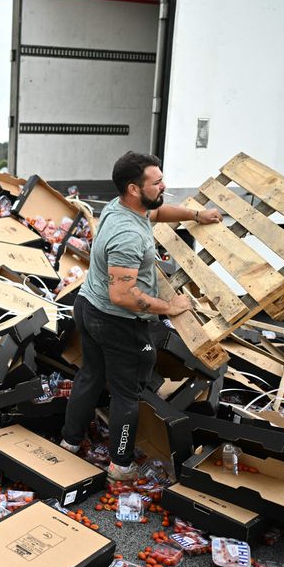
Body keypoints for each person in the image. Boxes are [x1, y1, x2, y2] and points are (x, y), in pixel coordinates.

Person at [59, 151, 222, 481]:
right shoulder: (128, 236)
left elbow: (158, 212)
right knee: (126, 394)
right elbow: (123, 295)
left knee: (90, 375)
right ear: (134, 188)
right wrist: (169, 307)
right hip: (116, 322)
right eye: (157, 181)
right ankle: (121, 464)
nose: (164, 185)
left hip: (89, 306)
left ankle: (69, 442)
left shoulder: (122, 207)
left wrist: (196, 214)